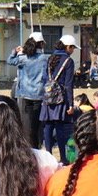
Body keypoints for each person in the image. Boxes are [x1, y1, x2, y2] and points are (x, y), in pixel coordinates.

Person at [39, 35, 78, 163]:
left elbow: (45, 78)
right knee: (60, 127)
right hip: (61, 98)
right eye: (72, 48)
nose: (73, 50)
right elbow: (68, 84)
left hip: (48, 95)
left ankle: (48, 155)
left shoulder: (50, 58)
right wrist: (71, 104)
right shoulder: (68, 61)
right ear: (68, 47)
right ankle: (63, 157)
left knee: (48, 126)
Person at [8, 34, 48, 148]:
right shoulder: (44, 58)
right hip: (39, 94)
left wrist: (15, 52)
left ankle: (27, 145)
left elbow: (10, 61)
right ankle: (37, 145)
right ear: (41, 44)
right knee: (37, 123)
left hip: (24, 94)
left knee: (26, 123)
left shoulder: (23, 58)